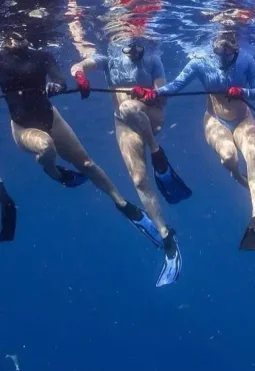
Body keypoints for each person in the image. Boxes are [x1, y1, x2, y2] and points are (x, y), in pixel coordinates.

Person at [0, 30, 171, 284]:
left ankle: (122, 203)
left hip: (51, 118)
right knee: (46, 147)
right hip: (25, 129)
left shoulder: (42, 55)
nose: (18, 38)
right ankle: (55, 173)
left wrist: (58, 84)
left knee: (87, 163)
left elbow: (59, 77)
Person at [70, 37, 191, 286]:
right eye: (128, 46)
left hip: (151, 115)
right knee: (138, 179)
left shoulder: (153, 60)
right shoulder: (110, 60)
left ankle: (157, 153)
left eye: (138, 46)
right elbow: (80, 64)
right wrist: (80, 75)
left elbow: (163, 97)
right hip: (123, 122)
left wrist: (149, 95)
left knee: (127, 107)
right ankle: (166, 235)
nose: (134, 51)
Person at [137, 32, 255, 250]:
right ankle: (240, 178)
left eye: (229, 53)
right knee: (229, 156)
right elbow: (175, 86)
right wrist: (153, 93)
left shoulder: (246, 59)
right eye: (220, 52)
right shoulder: (200, 62)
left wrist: (244, 91)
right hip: (215, 121)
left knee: (254, 154)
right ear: (213, 49)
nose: (223, 58)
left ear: (235, 50)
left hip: (244, 119)